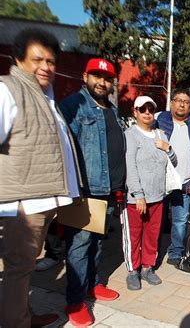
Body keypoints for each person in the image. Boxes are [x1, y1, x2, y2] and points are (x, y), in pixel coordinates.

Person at [0, 29, 80, 328]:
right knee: (18, 269)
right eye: (37, 59)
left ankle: (23, 315)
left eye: (50, 60)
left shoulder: (44, 97)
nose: (46, 66)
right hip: (22, 204)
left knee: (24, 269)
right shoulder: (7, 90)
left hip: (41, 200)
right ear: (18, 59)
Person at [59, 58, 126, 326]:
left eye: (107, 78)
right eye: (97, 76)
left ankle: (92, 284)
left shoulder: (112, 110)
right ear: (85, 76)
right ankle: (74, 301)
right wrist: (71, 188)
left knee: (97, 243)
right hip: (84, 190)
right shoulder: (72, 105)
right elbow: (64, 148)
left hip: (108, 190)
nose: (102, 82)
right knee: (79, 245)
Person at [122, 96, 177, 290]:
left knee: (152, 234)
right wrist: (138, 194)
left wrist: (168, 148)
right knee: (134, 235)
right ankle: (133, 270)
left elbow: (174, 162)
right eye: (142, 109)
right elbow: (130, 166)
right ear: (135, 112)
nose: (147, 113)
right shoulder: (130, 135)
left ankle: (147, 267)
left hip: (158, 196)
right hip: (136, 198)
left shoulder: (161, 135)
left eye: (150, 109)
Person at [155, 90, 190, 265]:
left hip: (185, 181)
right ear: (171, 103)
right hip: (161, 180)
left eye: (186, 102)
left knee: (180, 221)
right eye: (178, 100)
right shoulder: (159, 120)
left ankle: (176, 253)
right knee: (157, 221)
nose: (181, 104)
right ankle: (153, 254)